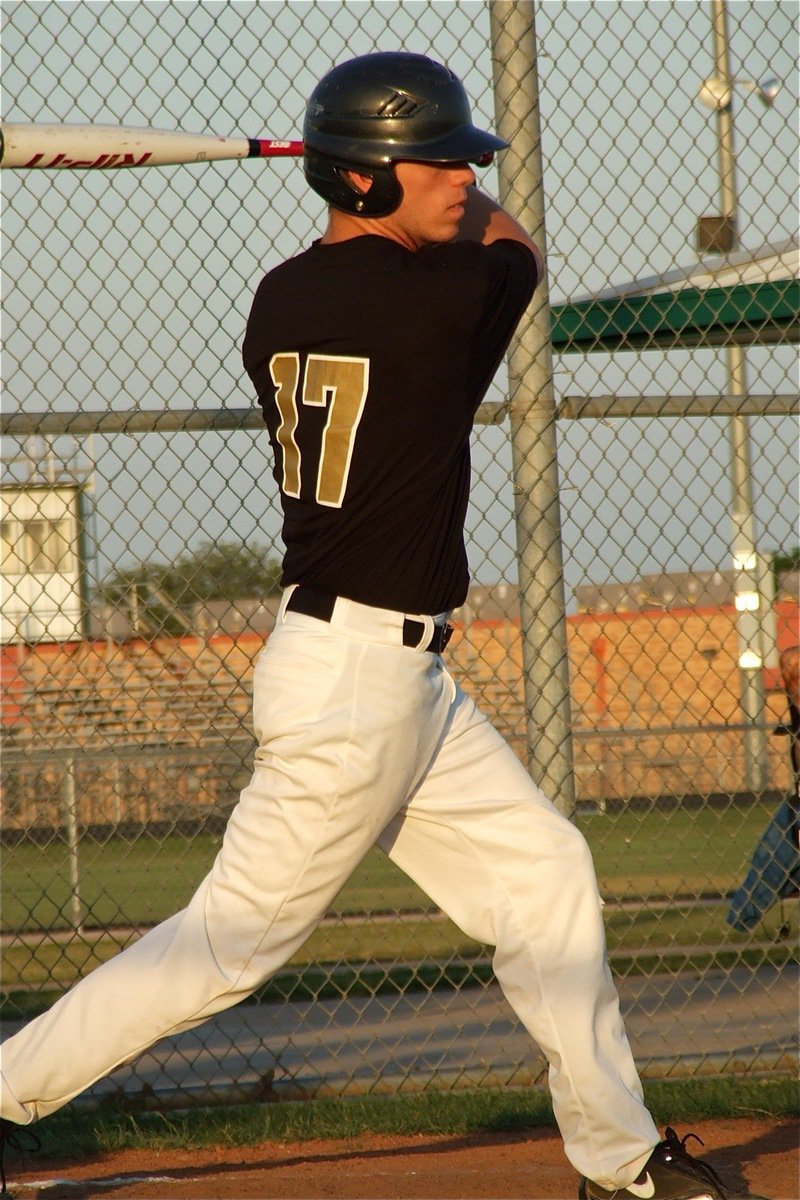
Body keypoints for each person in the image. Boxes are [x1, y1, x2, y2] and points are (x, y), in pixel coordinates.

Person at [1, 52, 753, 1200]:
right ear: (362, 180)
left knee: (545, 874)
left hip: (392, 682)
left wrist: (370, 172)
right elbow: (517, 249)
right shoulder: (435, 304)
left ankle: (616, 1153)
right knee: (227, 945)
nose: (464, 179)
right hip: (352, 687)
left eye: (463, 160)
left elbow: (447, 246)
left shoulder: (278, 300)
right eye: (440, 160)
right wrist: (381, 177)